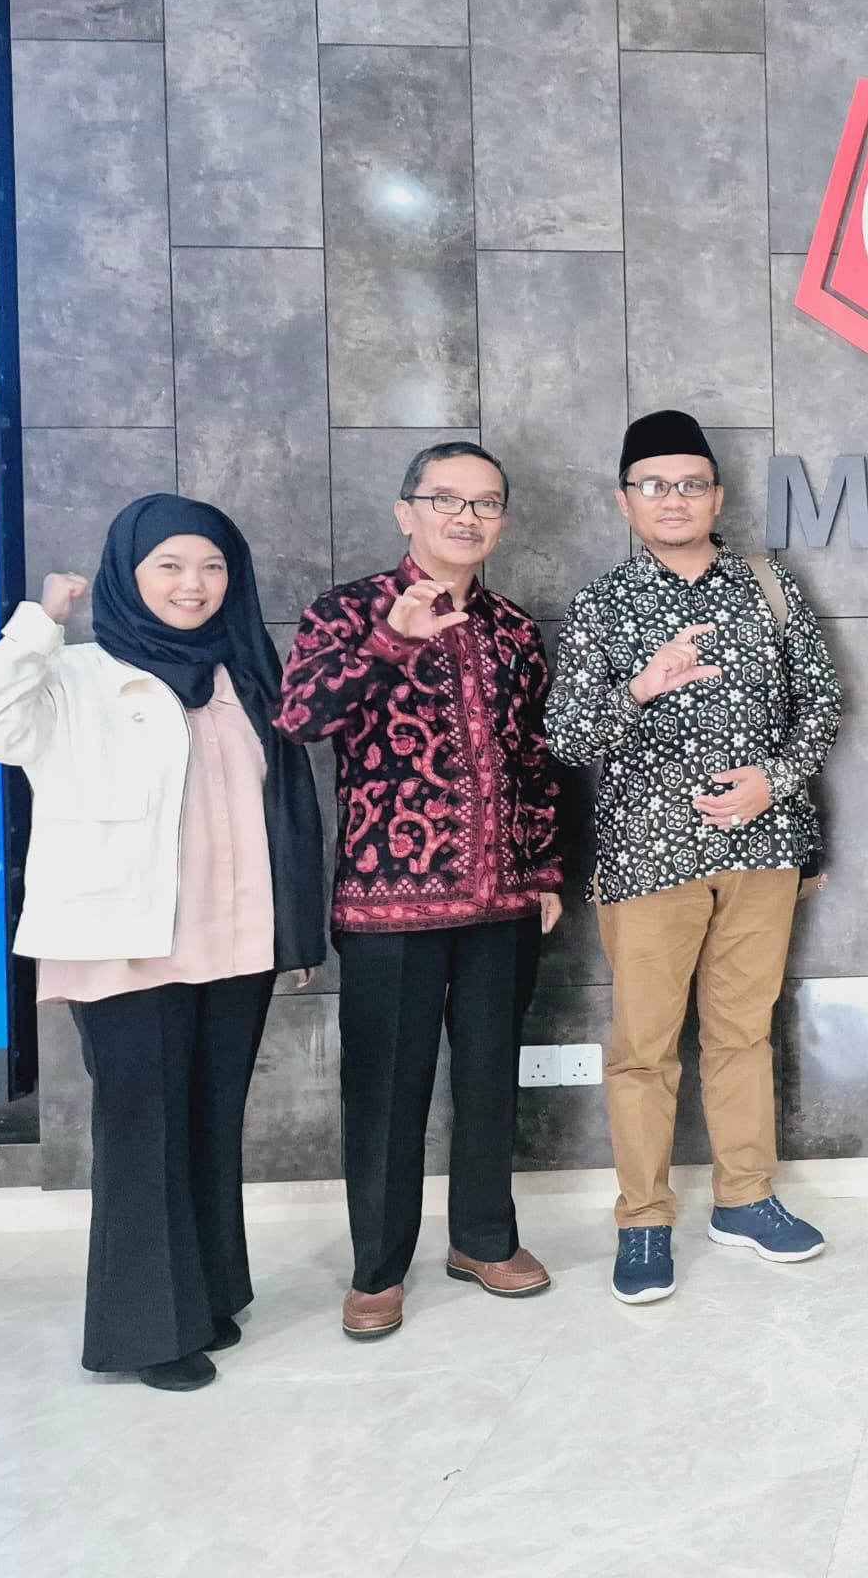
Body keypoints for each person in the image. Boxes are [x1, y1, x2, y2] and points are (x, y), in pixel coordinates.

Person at [0, 496, 324, 1390]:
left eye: (213, 567)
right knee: (143, 1129)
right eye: (170, 566)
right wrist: (39, 623)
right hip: (125, 943)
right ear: (128, 572)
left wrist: (293, 928)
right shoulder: (75, 674)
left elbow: (280, 812)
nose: (194, 585)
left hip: (235, 942)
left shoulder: (242, 675)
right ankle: (148, 1332)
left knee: (209, 1121)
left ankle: (208, 1295)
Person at [548, 410, 843, 1305]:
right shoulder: (603, 604)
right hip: (647, 859)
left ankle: (745, 1199)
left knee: (742, 1035)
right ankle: (643, 1221)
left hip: (763, 849)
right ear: (624, 500)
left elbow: (821, 703)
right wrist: (642, 686)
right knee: (643, 1049)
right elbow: (568, 738)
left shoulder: (768, 586)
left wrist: (773, 781)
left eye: (690, 485)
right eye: (654, 485)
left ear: (716, 497)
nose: (673, 499)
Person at [278, 441, 567, 1340]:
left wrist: (544, 868)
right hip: (387, 905)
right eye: (446, 499)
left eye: (485, 503)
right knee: (386, 1092)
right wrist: (391, 641)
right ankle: (377, 1268)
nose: (466, 518)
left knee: (488, 1081)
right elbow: (300, 716)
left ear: (502, 521)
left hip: (502, 903)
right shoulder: (348, 610)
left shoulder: (514, 629)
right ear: (407, 511)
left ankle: (483, 1238)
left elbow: (535, 759)